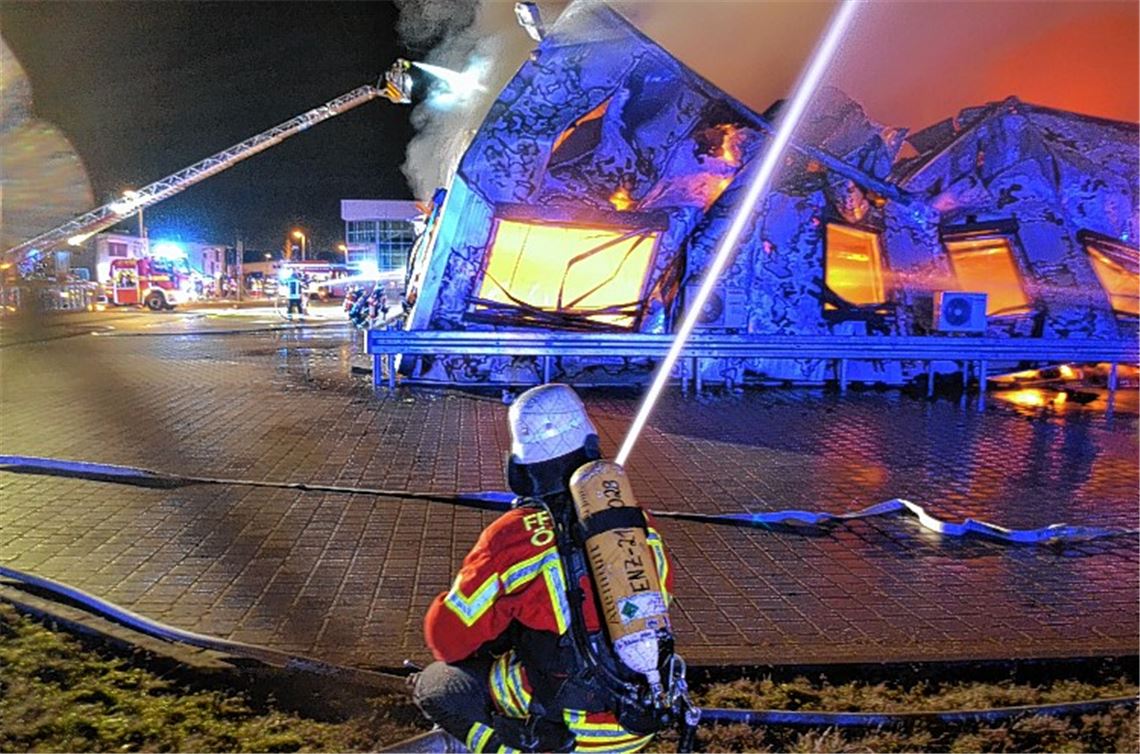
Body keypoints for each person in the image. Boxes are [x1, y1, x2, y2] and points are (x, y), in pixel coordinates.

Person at [413, 384, 676, 753]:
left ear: (519, 468)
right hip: (641, 718)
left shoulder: (514, 535)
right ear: (590, 448)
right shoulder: (636, 525)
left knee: (437, 686)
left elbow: (447, 640)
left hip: (571, 729)